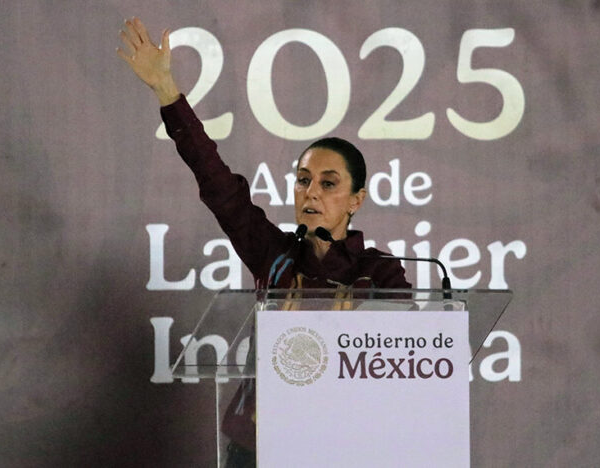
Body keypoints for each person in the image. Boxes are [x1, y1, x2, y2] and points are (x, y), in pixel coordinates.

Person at [118, 18, 411, 467]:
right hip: (258, 445)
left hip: (345, 445)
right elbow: (217, 183)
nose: (311, 192)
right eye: (303, 180)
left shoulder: (381, 272)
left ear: (356, 199)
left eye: (328, 183)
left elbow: (401, 362)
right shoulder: (274, 255)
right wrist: (166, 90)